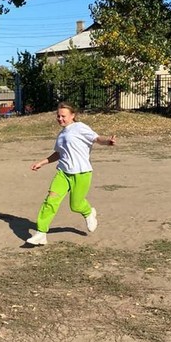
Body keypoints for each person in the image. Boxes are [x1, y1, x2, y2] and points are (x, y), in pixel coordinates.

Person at [26, 102, 116, 246]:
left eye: (63, 116)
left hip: (81, 173)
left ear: (73, 115)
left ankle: (88, 212)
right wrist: (42, 162)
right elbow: (59, 153)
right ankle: (41, 233)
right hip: (63, 173)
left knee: (75, 205)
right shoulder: (61, 134)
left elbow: (96, 138)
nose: (60, 119)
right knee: (50, 201)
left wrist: (107, 141)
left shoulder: (80, 127)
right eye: (58, 116)